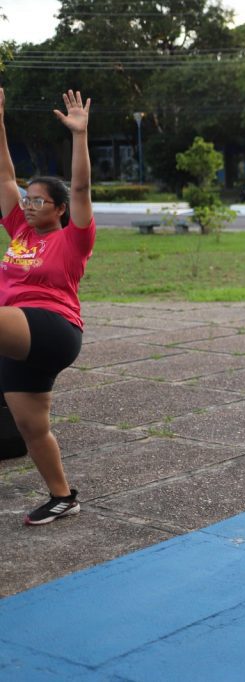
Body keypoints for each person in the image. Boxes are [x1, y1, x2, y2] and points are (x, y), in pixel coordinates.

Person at [0, 88, 96, 525]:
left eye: (39, 200)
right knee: (31, 427)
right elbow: (4, 177)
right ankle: (63, 496)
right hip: (18, 336)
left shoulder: (73, 238)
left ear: (59, 208)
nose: (29, 204)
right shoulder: (20, 232)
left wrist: (79, 136)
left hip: (53, 327)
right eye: (28, 199)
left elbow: (81, 186)